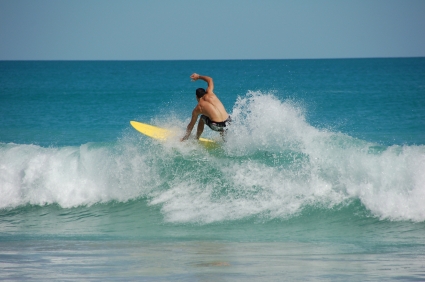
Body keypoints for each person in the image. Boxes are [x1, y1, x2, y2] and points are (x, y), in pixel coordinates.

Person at [181, 73, 231, 141]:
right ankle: (225, 141)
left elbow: (191, 125)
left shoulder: (198, 108)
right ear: (204, 93)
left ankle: (196, 139)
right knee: (222, 120)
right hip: (228, 122)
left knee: (202, 118)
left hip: (217, 126)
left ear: (196, 97)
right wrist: (198, 77)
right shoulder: (210, 93)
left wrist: (185, 137)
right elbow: (210, 79)